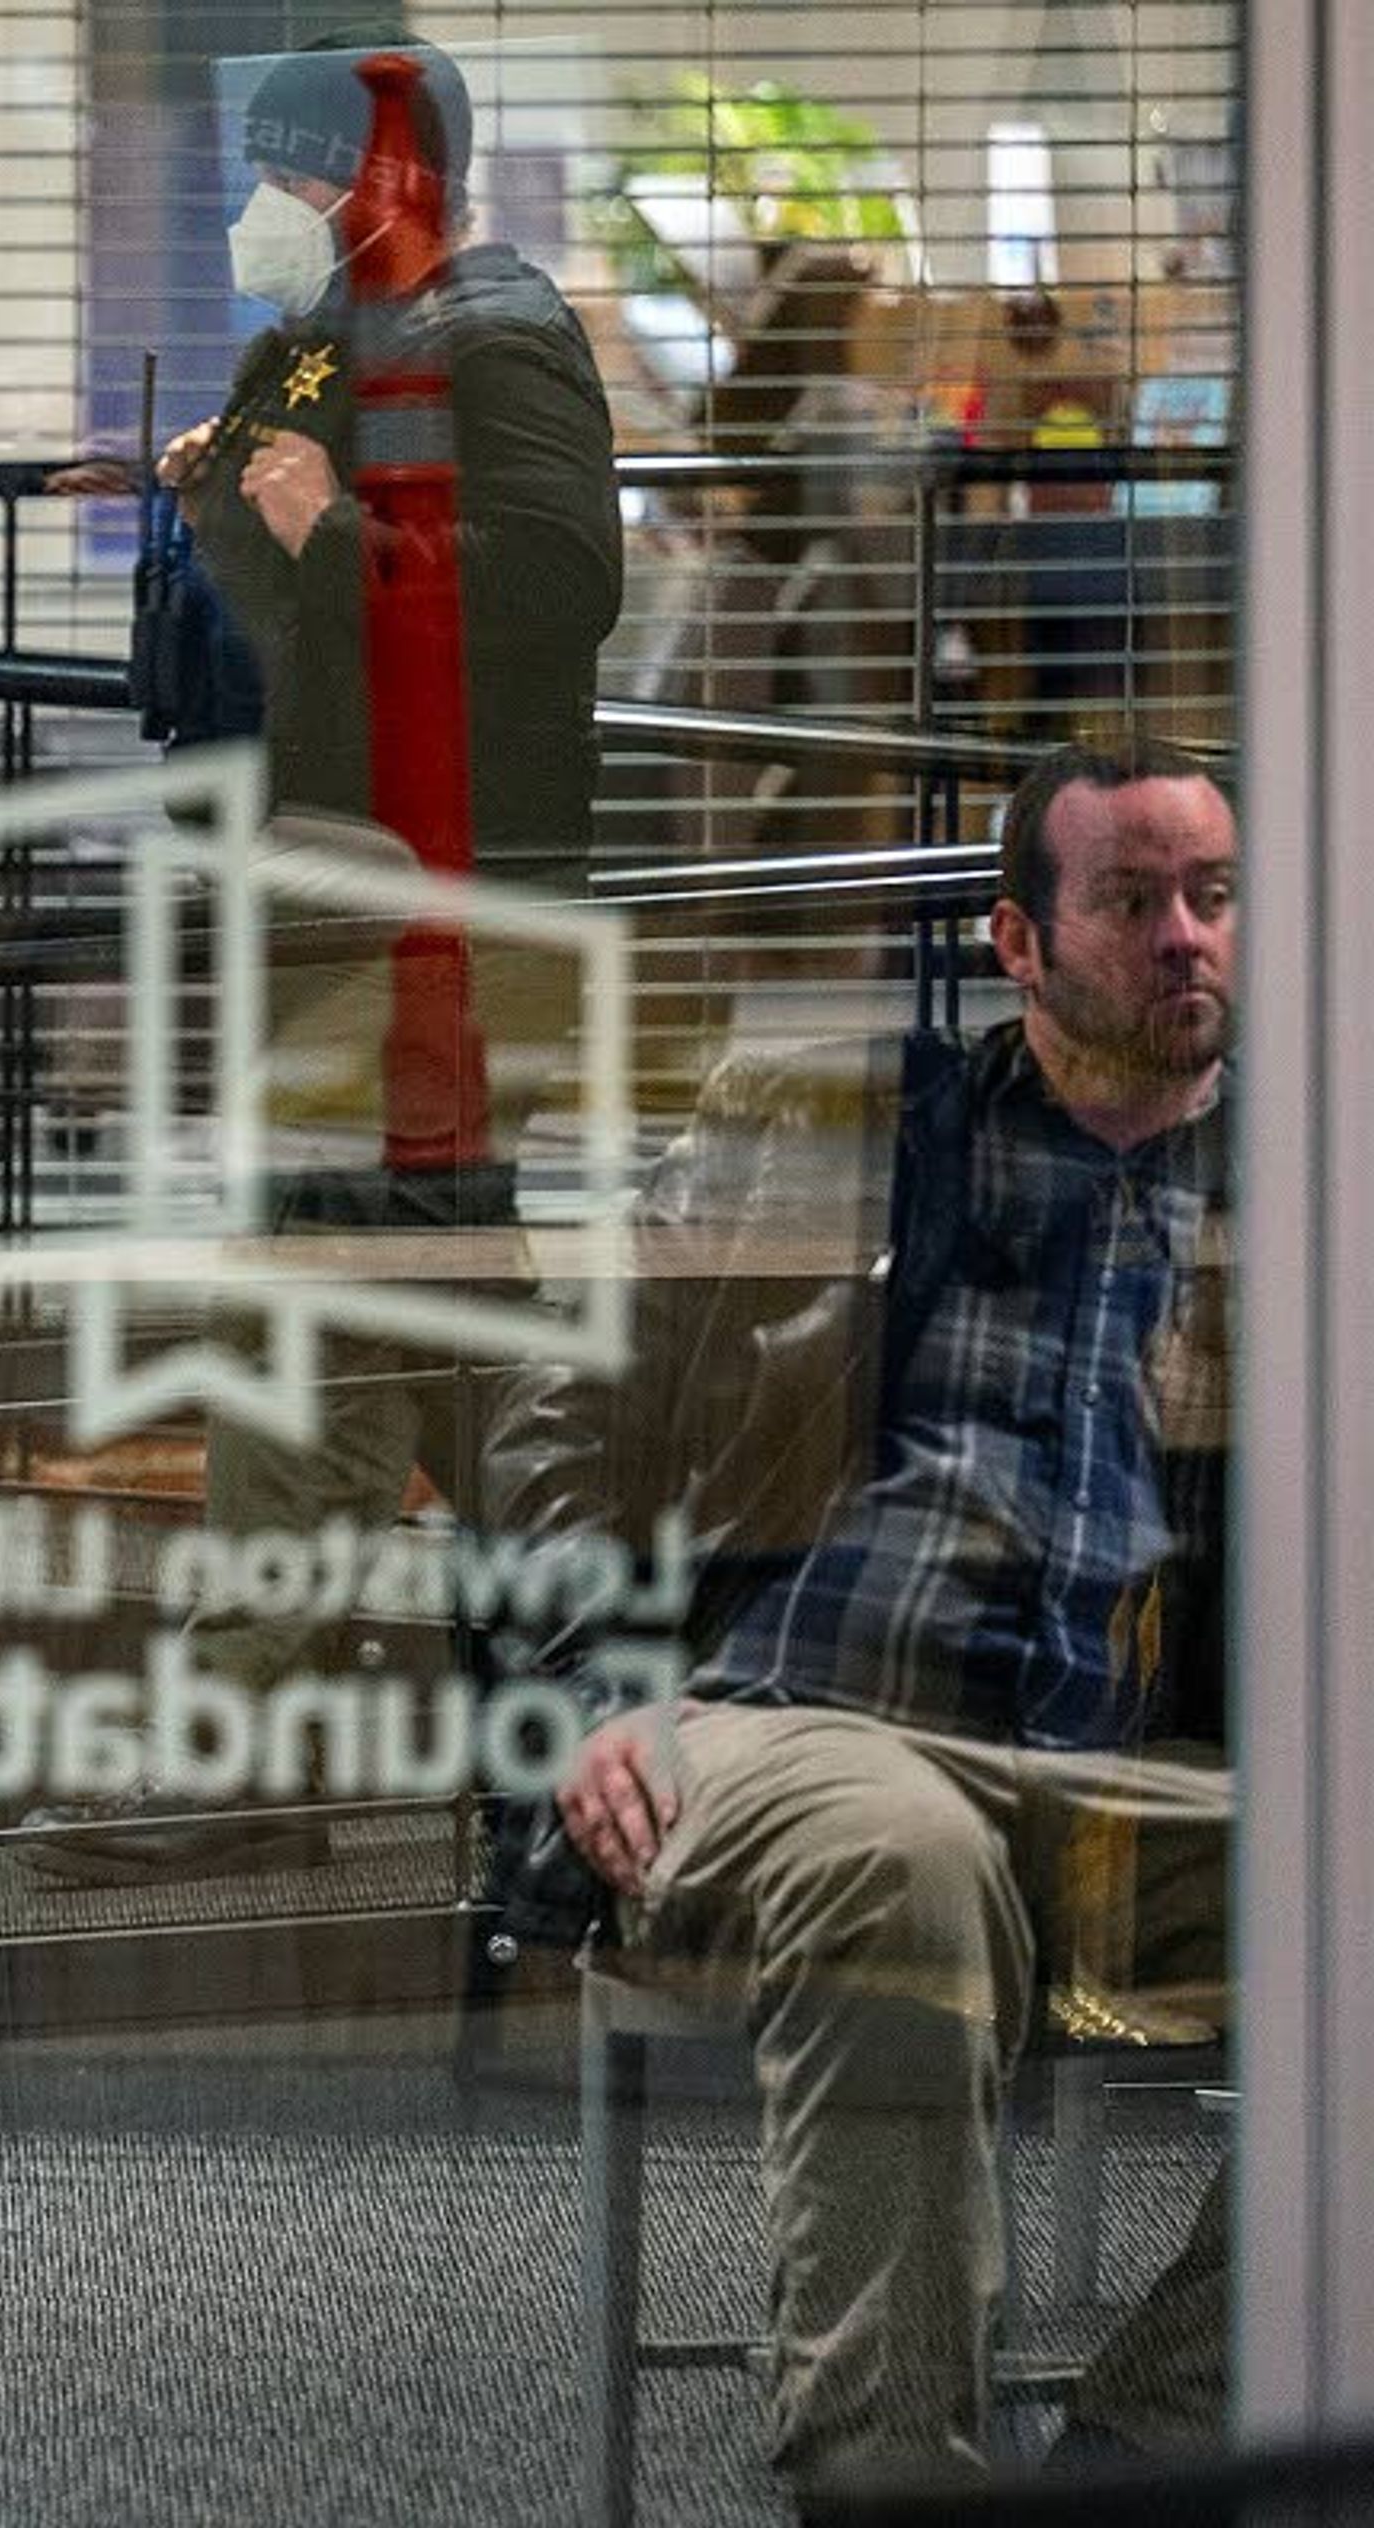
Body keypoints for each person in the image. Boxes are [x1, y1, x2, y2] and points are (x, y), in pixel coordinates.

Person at [488, 740, 1240, 2504]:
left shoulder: (1305, 1192)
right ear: (1020, 942)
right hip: (801, 1730)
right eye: (1133, 902)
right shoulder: (830, 1130)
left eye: (1213, 898)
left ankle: (1156, 2447)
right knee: (900, 1858)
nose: (1189, 939)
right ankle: (892, 2479)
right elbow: (560, 1417)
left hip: (1140, 1783)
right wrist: (598, 1690)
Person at [22, 24, 624, 1884]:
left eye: (282, 177)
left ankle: (254, 1741)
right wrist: (209, 489)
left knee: (325, 1319)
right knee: (428, 1327)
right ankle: (596, 1710)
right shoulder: (338, 343)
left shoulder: (493, 337)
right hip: (345, 892)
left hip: (428, 913)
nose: (251, 213)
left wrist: (327, 515)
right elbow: (308, 644)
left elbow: (555, 591)